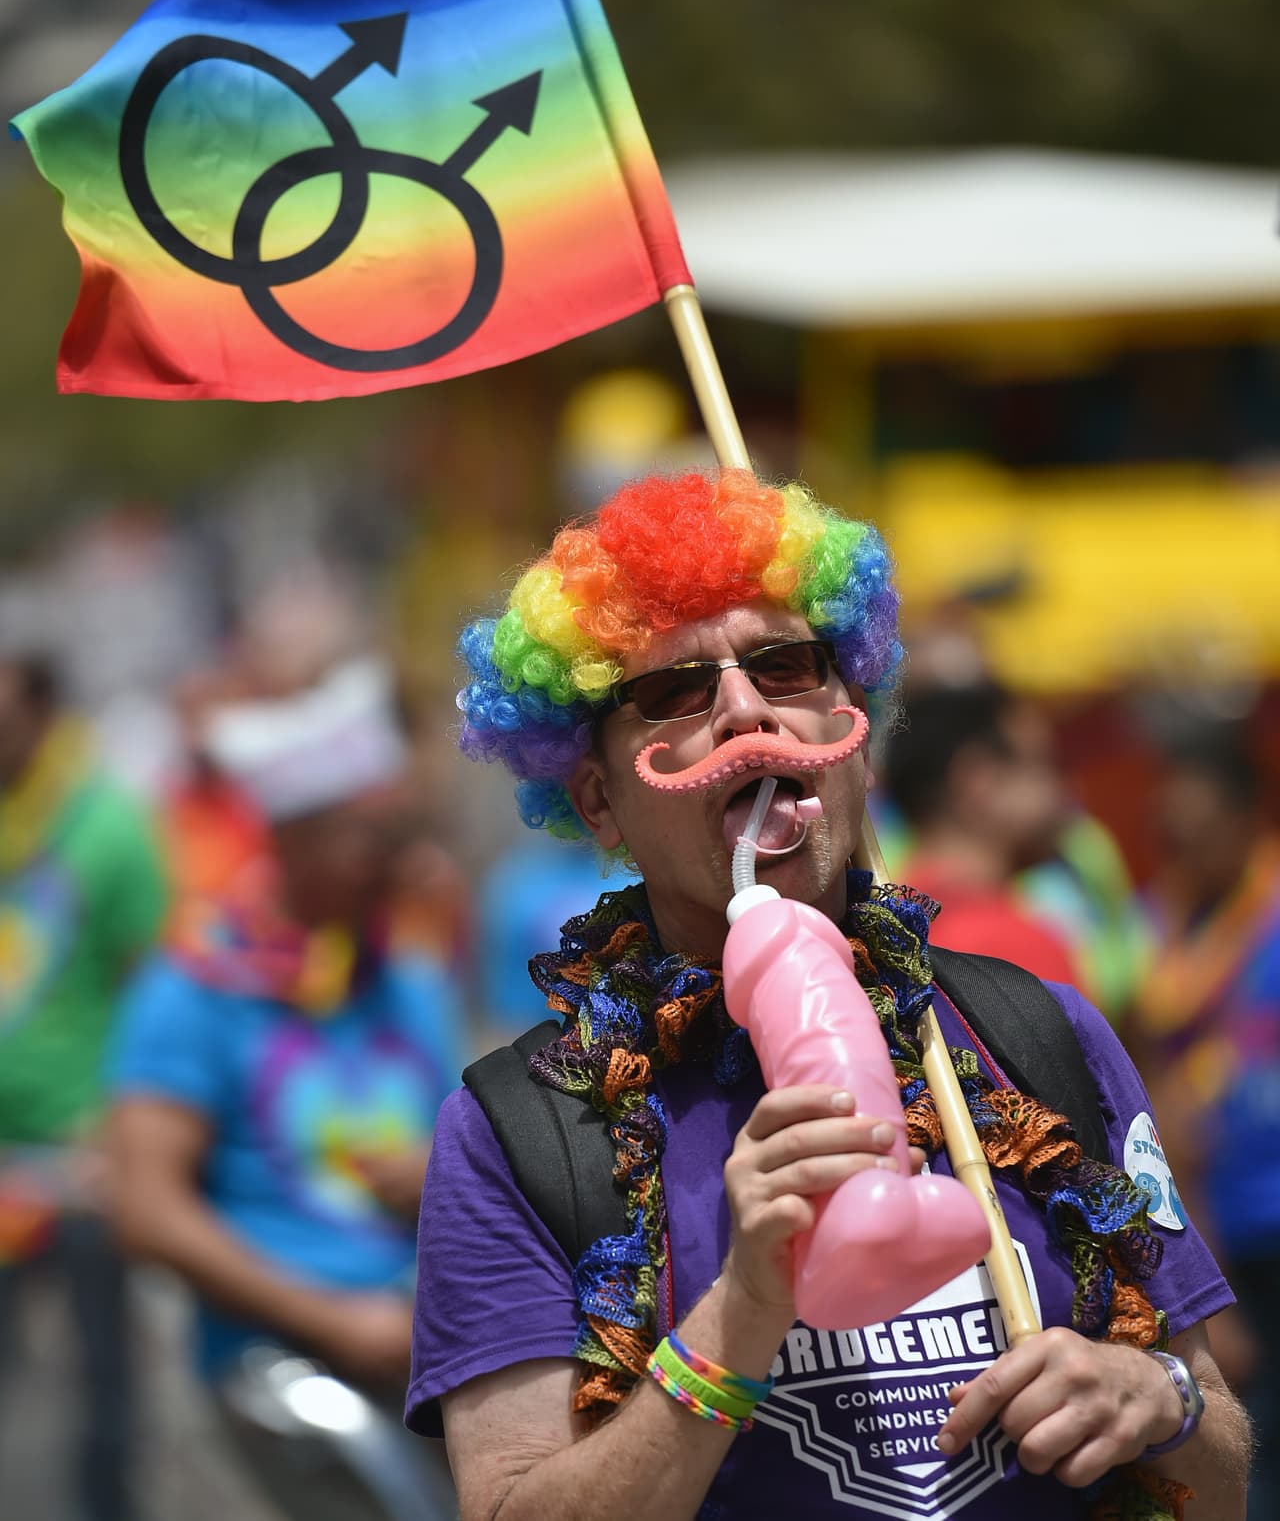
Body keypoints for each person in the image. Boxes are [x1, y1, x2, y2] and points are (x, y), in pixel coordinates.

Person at [407, 468, 1248, 1521]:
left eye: (786, 664)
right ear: (598, 799)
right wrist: (743, 1311)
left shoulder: (1034, 1033)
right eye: (674, 693)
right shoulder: (521, 1129)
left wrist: (1156, 1398)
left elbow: (1218, 1472)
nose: (747, 709)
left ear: (849, 724)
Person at [106, 656, 464, 1521]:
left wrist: (448, 1174)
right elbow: (143, 1209)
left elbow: (458, 1156)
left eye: (406, 833)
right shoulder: (189, 990)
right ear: (292, 838)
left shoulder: (405, 981)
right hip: (278, 1375)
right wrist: (330, 1319)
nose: (402, 863)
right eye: (373, 840)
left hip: (423, 1357)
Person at [0, 648, 168, 1521]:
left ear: (42, 709)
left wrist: (124, 1135)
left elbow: (150, 985)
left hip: (80, 1154)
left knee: (100, 1389)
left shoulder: (104, 825)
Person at [1131, 731, 1280, 1518]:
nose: (1184, 847)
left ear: (1247, 818)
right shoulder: (1151, 924)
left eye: (1201, 829)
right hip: (1215, 1221)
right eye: (1171, 832)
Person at [885, 681, 1085, 991]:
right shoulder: (1018, 947)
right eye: (1041, 763)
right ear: (979, 780)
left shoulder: (886, 926)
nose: (1065, 792)